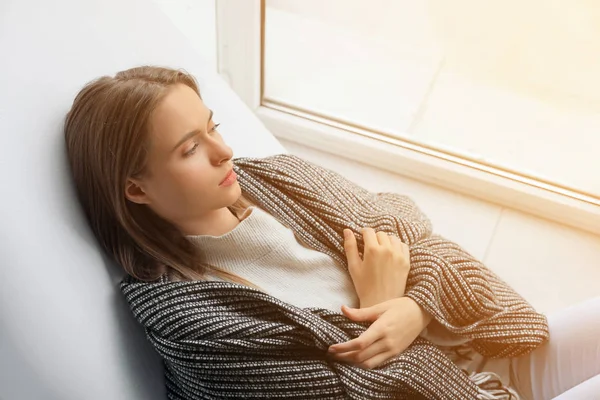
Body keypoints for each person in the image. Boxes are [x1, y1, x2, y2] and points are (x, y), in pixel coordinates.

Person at [64, 66, 599, 399]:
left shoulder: (278, 179)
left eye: (213, 127)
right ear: (136, 189)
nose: (223, 151)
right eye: (189, 149)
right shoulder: (191, 322)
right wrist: (382, 298)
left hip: (488, 355)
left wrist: (412, 307)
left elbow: (416, 234)